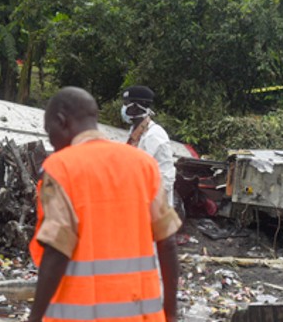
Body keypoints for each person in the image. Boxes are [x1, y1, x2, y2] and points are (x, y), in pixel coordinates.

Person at [27, 87, 181, 322]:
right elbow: (167, 243)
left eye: (49, 131)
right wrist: (170, 313)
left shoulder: (61, 168)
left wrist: (34, 317)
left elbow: (57, 250)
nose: (50, 140)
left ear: (61, 121)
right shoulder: (144, 165)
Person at [121, 86, 176, 206]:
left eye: (126, 104)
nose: (123, 107)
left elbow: (166, 178)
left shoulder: (154, 135)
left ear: (135, 107)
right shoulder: (135, 132)